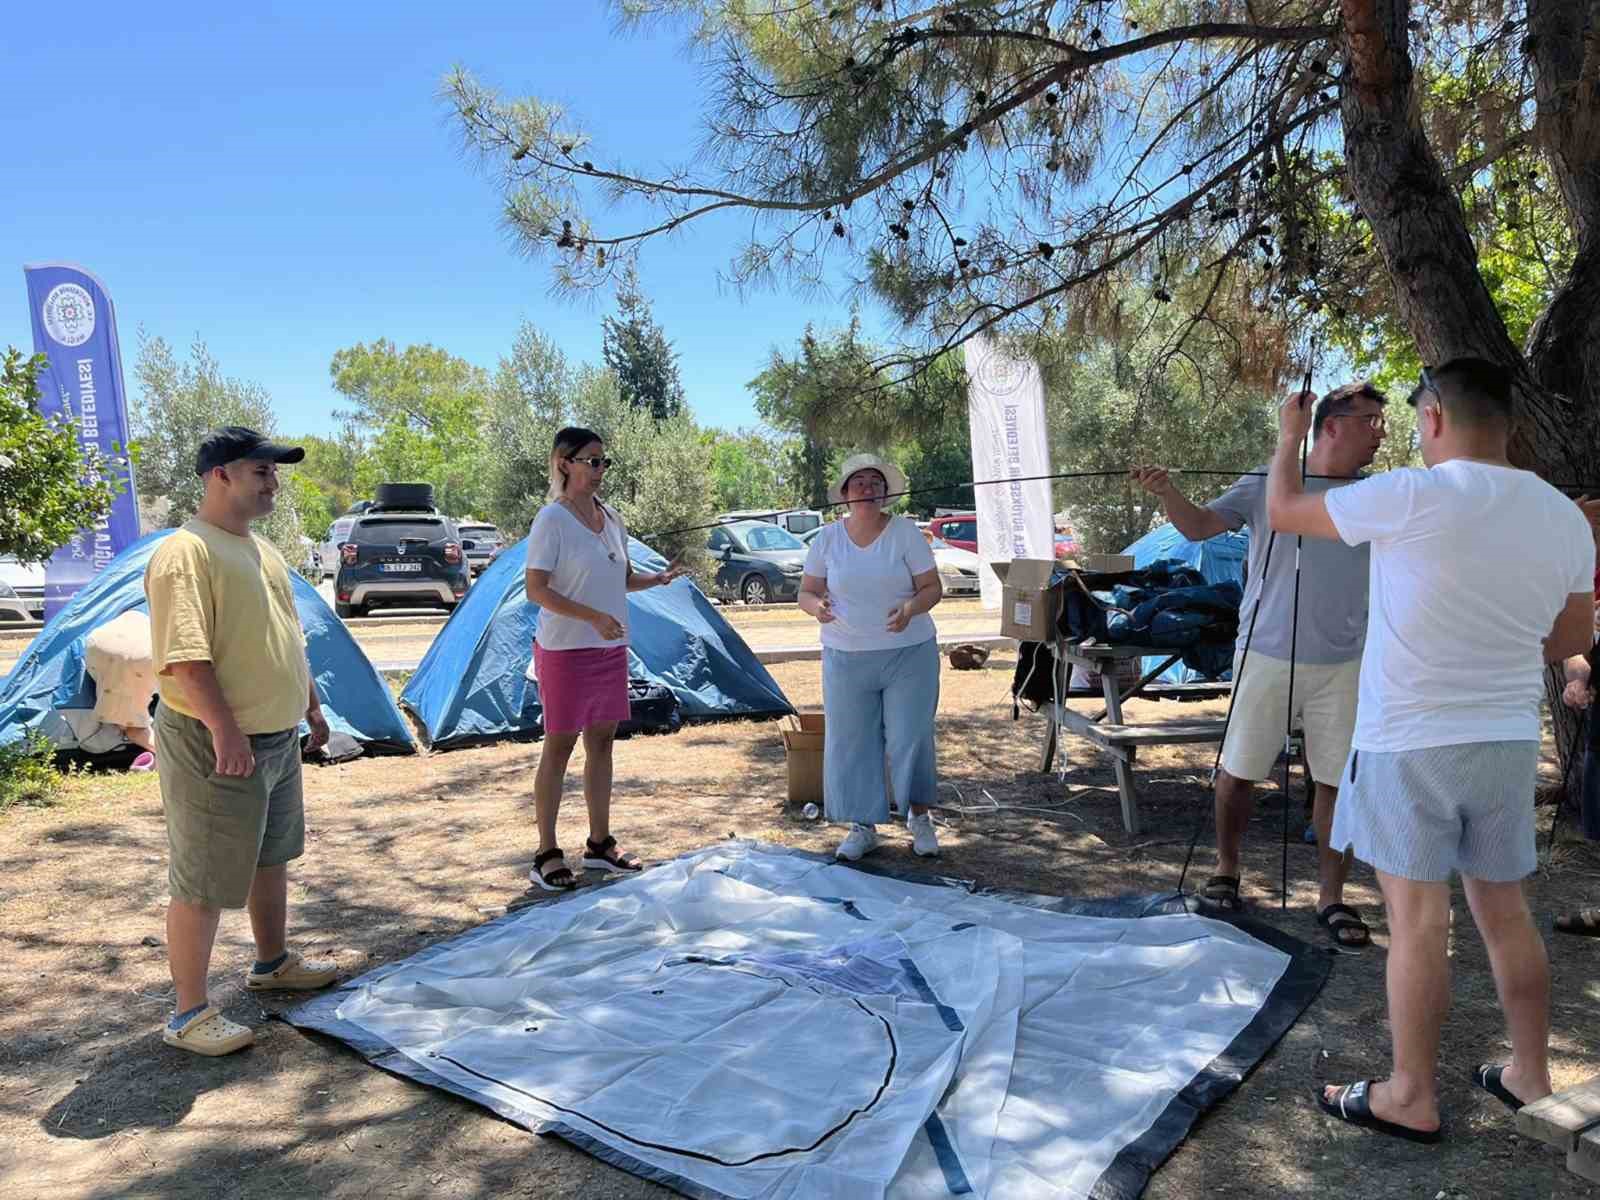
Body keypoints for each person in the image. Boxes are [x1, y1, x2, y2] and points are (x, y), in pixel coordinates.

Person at [1265, 357, 1594, 1142]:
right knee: (1505, 912)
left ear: (1436, 416)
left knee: (1417, 923)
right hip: (1507, 740)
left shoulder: (1410, 494)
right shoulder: (1562, 515)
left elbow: (1281, 509)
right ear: (1508, 422)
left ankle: (1409, 1094)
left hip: (1409, 740)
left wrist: (1289, 435)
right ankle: (1530, 1077)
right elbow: (1577, 635)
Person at [1131, 381, 1389, 945]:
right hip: (1266, 652)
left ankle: (1332, 898)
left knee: (1334, 782)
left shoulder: (1376, 497)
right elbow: (1199, 527)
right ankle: (1226, 870)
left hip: (1345, 661)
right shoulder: (1267, 480)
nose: (1380, 436)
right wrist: (1168, 491)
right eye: (1371, 421)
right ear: (1332, 425)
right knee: (1240, 770)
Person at [145, 427, 338, 1057]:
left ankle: (272, 964)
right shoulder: (186, 552)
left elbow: (288, 636)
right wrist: (225, 731)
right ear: (219, 475)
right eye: (260, 470)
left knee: (269, 855)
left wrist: (309, 703)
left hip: (276, 736)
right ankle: (188, 1014)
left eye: (274, 472)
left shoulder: (264, 550)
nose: (272, 482)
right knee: (203, 875)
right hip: (215, 742)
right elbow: (184, 660)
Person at [523, 427, 685, 891]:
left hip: (609, 647)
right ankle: (547, 854)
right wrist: (592, 616)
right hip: (565, 650)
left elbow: (623, 577)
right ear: (564, 463)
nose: (598, 470)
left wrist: (656, 580)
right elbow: (537, 589)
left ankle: (599, 846)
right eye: (590, 461)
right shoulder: (551, 520)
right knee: (559, 746)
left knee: (603, 743)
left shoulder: (612, 517)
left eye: (603, 462)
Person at [798, 453, 944, 860]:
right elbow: (806, 592)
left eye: (874, 482)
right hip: (845, 656)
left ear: (884, 493)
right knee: (852, 742)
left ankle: (919, 818)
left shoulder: (905, 534)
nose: (866, 488)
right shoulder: (826, 539)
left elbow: (932, 588)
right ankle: (863, 827)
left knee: (909, 737)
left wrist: (911, 609)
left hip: (908, 654)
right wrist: (817, 608)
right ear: (845, 495)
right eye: (858, 482)